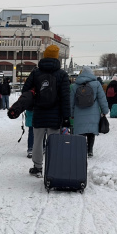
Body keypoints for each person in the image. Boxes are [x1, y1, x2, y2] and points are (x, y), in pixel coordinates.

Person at [21, 45, 70, 177]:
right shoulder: (62, 75)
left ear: (44, 56)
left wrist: (32, 104)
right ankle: (53, 165)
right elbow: (66, 97)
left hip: (39, 113)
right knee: (54, 141)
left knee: (37, 141)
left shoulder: (36, 73)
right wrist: (66, 117)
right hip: (55, 115)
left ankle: (37, 167)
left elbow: (25, 91)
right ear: (57, 57)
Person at [70, 67, 110, 158]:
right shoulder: (96, 84)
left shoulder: (75, 86)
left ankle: (82, 149)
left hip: (79, 112)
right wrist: (105, 110)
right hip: (93, 112)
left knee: (81, 132)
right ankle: (90, 150)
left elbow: (71, 101)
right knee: (91, 132)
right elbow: (102, 99)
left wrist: (71, 113)